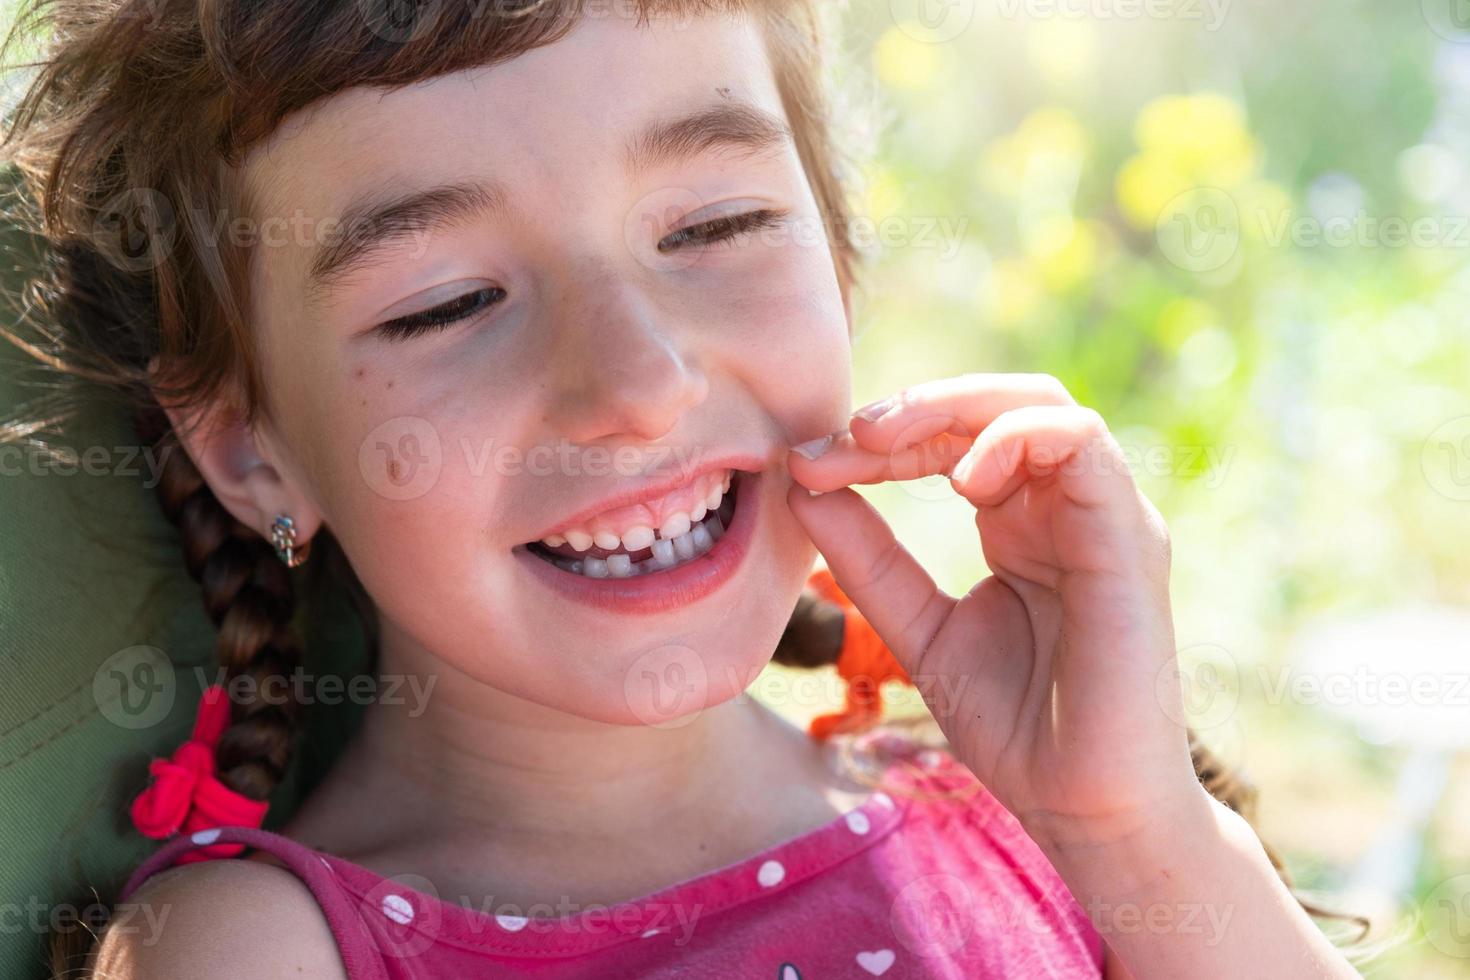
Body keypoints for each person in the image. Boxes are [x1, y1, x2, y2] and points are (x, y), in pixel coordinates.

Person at [0, 1, 1361, 976]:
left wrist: (1130, 832)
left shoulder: (1050, 833)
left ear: (838, 258)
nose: (637, 380)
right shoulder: (261, 949)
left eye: (712, 226)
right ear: (251, 451)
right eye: (448, 303)